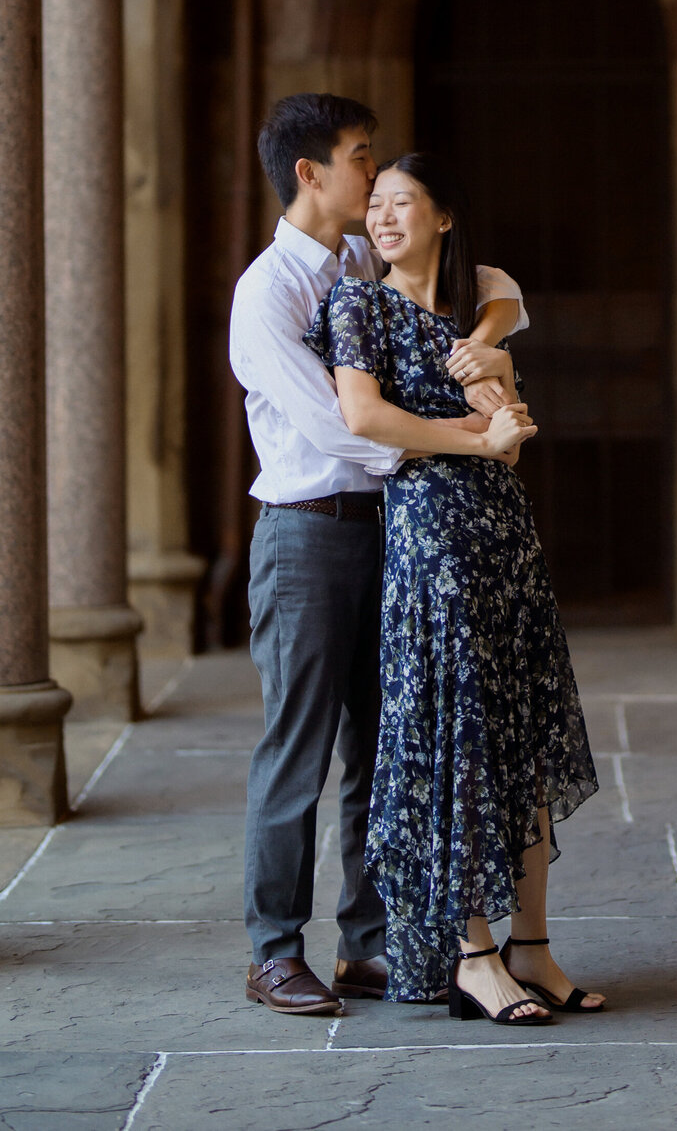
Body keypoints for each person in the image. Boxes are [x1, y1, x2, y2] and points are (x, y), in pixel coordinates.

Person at [229, 94, 528, 1016]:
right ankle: (275, 951)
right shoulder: (268, 291)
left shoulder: (365, 259)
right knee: (299, 749)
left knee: (380, 744)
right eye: (362, 158)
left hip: (392, 532)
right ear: (310, 173)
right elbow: (341, 425)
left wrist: (475, 349)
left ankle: (367, 946)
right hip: (310, 534)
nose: (377, 176)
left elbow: (501, 288)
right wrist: (471, 437)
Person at [304, 152, 605, 1025]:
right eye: (378, 206)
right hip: (432, 533)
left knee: (522, 730)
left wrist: (501, 413)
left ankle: (534, 948)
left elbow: (510, 435)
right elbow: (362, 415)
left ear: (443, 217)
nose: (384, 218)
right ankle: (473, 954)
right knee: (459, 736)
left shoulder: (482, 318)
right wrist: (475, 438)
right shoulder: (358, 302)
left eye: (404, 204)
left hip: (504, 531)